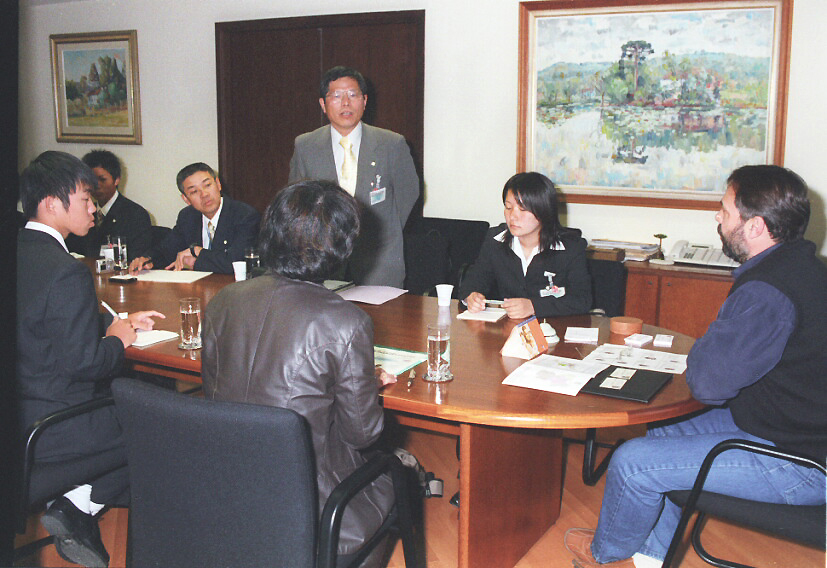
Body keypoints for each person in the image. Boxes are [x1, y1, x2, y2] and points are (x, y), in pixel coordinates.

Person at [564, 165, 827, 568]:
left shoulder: (767, 293)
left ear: (755, 226)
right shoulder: (800, 266)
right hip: (782, 425)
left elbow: (706, 383)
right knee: (664, 427)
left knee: (632, 463)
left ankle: (608, 554)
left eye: (724, 211)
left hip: (802, 462)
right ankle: (650, 555)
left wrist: (709, 342)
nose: (717, 218)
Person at [202, 180, 397, 566]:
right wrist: (365, 387)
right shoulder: (346, 321)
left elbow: (213, 395)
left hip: (227, 484)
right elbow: (362, 435)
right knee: (402, 470)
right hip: (314, 502)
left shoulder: (223, 300)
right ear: (341, 246)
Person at [17, 151, 163, 567]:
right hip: (53, 425)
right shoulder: (67, 269)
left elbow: (42, 319)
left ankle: (75, 506)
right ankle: (78, 506)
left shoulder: (23, 253)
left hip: (21, 407)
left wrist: (111, 319)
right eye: (85, 199)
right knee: (156, 422)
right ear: (51, 202)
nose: (94, 209)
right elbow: (88, 365)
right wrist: (117, 339)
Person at [288, 66, 419, 288]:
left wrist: (381, 232)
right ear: (323, 104)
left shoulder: (392, 144)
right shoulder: (305, 145)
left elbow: (409, 195)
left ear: (365, 100)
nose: (346, 103)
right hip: (324, 259)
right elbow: (297, 202)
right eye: (337, 96)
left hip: (380, 261)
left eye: (353, 95)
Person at [458, 171, 592, 319]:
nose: (513, 216)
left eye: (522, 209)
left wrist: (533, 306)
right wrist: (471, 297)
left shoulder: (570, 248)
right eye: (508, 207)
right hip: (509, 330)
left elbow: (582, 300)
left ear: (544, 211)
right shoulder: (496, 240)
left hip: (554, 330)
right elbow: (474, 280)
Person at [128, 162, 259, 275]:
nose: (204, 194)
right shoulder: (187, 217)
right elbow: (166, 251)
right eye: (194, 191)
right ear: (186, 199)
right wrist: (147, 259)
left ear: (218, 184)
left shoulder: (244, 215)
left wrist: (197, 253)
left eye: (208, 185)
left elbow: (236, 262)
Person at [66, 149, 152, 261]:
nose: (96, 185)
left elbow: (138, 258)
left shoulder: (135, 214)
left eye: (102, 179)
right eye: (92, 180)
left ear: (116, 180)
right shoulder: (82, 212)